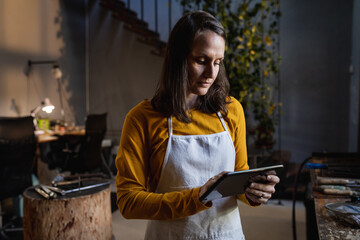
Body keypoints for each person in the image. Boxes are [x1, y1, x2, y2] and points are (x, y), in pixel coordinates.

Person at [115, 10, 280, 240]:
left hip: (227, 235)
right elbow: (128, 202)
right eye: (201, 61)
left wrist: (254, 192)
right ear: (178, 57)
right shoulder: (142, 118)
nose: (211, 73)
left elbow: (240, 175)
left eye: (218, 62)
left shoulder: (231, 110)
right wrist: (197, 198)